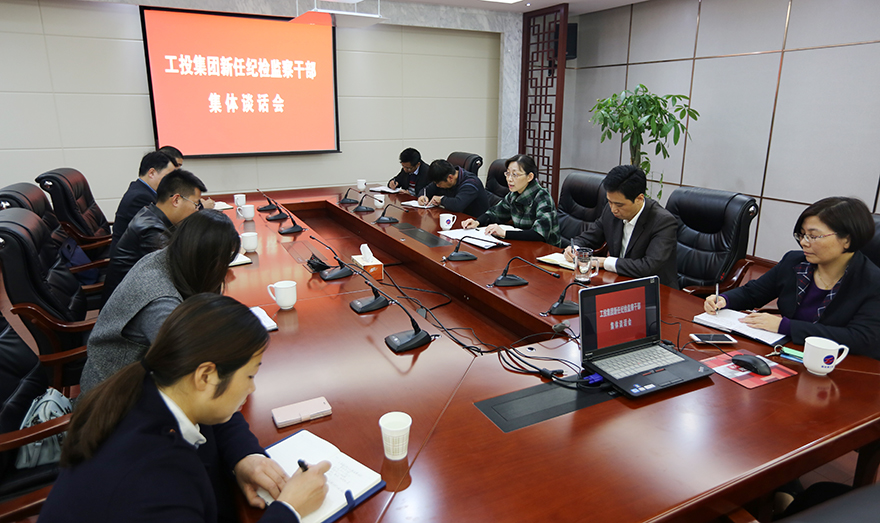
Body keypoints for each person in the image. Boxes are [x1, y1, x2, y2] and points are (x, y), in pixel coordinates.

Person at [40, 294, 331, 522]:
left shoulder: (147, 386)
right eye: (250, 376)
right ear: (205, 376)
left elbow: (218, 417)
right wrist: (290, 509)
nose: (252, 389)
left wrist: (245, 456)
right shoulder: (158, 479)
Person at [81, 209, 240, 393]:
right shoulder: (160, 300)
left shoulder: (170, 257)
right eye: (223, 261)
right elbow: (187, 366)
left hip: (136, 378)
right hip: (112, 395)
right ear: (206, 261)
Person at [704, 197, 880, 358]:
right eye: (802, 235)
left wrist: (785, 326)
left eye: (813, 236)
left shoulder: (872, 282)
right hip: (788, 353)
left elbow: (861, 338)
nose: (803, 242)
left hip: (840, 365)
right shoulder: (794, 262)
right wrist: (724, 300)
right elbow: (753, 293)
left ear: (847, 240)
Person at [101, 169, 208, 307]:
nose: (197, 210)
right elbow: (179, 273)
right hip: (125, 308)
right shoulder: (151, 230)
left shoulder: (152, 214)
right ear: (176, 200)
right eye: (196, 204)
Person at [563, 165, 679, 288]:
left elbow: (648, 267)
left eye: (619, 205)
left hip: (656, 290)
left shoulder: (663, 222)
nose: (613, 209)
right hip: (620, 282)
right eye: (610, 202)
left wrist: (602, 262)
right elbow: (590, 237)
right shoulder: (610, 211)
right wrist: (574, 248)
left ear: (639, 198)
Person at [461, 154, 561, 247]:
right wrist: (477, 222)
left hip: (546, 251)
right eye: (508, 173)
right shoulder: (514, 194)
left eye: (515, 175)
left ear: (530, 177)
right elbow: (496, 213)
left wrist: (504, 233)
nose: (509, 179)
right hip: (523, 246)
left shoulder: (543, 197)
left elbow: (539, 234)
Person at [111, 151, 176, 250]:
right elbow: (160, 230)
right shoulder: (140, 198)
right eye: (168, 176)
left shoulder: (141, 189)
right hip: (132, 257)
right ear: (151, 173)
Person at [417, 159, 489, 217]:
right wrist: (422, 196)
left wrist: (441, 200)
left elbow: (458, 205)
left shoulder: (471, 183)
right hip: (454, 218)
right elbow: (426, 190)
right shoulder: (443, 177)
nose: (437, 186)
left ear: (450, 178)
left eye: (438, 183)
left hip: (474, 223)